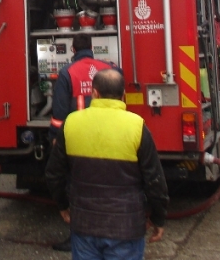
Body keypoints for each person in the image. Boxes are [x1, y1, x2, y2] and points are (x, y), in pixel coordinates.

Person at [45, 69, 168, 260]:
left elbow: (54, 174)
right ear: (123, 95)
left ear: (94, 93)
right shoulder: (137, 126)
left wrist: (63, 205)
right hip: (126, 228)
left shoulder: (71, 123)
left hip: (84, 226)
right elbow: (155, 180)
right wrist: (158, 218)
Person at [48, 32, 116, 251]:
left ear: (73, 49)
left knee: (77, 188)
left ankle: (78, 238)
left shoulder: (67, 73)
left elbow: (58, 115)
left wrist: (55, 141)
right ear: (92, 47)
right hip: (107, 134)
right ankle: (111, 233)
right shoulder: (108, 69)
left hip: (78, 139)